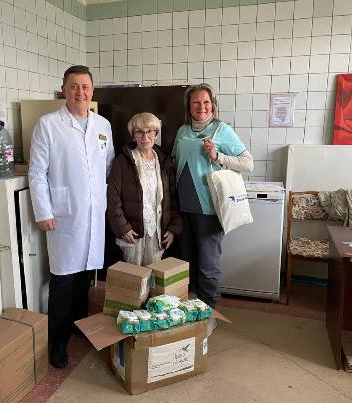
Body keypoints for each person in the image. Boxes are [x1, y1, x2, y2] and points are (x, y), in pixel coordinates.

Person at [28, 65, 114, 369]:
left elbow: (107, 165)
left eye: (85, 86)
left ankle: (79, 325)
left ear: (92, 90)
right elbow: (37, 172)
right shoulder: (48, 124)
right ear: (64, 89)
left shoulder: (103, 125)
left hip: (93, 211)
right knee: (63, 278)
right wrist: (44, 210)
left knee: (84, 276)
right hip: (63, 214)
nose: (80, 92)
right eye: (74, 86)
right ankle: (58, 342)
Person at [172, 83, 254, 308]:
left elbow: (248, 163)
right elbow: (174, 161)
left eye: (206, 102)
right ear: (189, 106)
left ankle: (209, 310)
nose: (202, 107)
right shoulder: (182, 131)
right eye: (196, 102)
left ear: (213, 105)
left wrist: (218, 156)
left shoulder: (222, 130)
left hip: (208, 208)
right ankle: (190, 310)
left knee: (208, 265)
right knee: (186, 262)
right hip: (182, 208)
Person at [107, 113, 182, 266]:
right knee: (132, 276)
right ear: (133, 135)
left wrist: (173, 228)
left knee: (154, 275)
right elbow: (113, 198)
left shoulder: (164, 160)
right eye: (139, 132)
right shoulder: (122, 161)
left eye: (150, 131)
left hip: (158, 232)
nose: (145, 136)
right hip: (132, 233)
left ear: (156, 134)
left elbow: (173, 197)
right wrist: (122, 228)